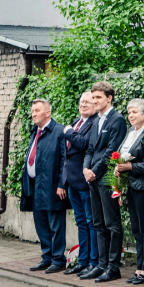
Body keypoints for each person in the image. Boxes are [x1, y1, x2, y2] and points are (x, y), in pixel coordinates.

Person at [82, 81, 127, 282]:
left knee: (112, 223)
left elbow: (111, 151)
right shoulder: (95, 120)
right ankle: (101, 265)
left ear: (109, 98)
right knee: (98, 222)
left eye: (98, 97)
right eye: (94, 97)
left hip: (107, 177)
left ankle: (113, 267)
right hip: (92, 177)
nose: (95, 101)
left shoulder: (117, 120)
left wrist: (95, 171)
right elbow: (90, 149)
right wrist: (85, 169)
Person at [19, 99, 68, 273]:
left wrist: (62, 184)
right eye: (32, 110)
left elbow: (65, 160)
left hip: (52, 185)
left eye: (37, 110)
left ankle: (58, 259)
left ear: (48, 113)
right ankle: (46, 257)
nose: (33, 113)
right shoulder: (35, 132)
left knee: (55, 224)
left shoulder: (59, 131)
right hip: (35, 185)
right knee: (41, 223)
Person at [114, 99, 144, 284]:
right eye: (129, 112)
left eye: (135, 112)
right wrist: (118, 167)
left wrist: (130, 166)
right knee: (136, 230)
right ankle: (140, 268)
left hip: (142, 187)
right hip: (130, 186)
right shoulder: (131, 132)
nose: (130, 115)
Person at [61, 92, 98, 275]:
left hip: (86, 181)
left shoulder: (94, 123)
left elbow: (84, 144)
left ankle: (93, 261)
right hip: (72, 182)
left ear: (95, 105)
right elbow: (66, 155)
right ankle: (82, 260)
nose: (83, 105)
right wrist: (63, 181)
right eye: (81, 101)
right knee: (81, 222)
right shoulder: (77, 121)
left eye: (88, 102)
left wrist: (68, 132)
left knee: (91, 221)